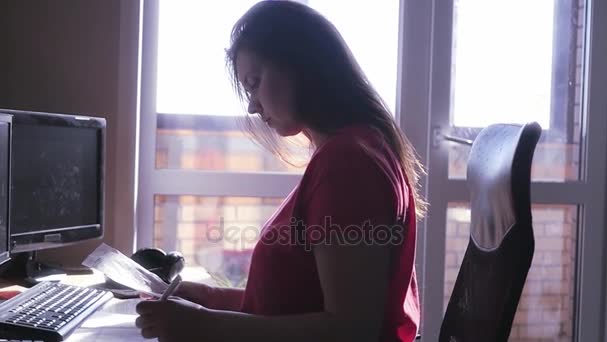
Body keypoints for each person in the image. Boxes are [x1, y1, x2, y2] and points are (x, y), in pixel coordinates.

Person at [135, 1, 425, 341]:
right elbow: (294, 304)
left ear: (299, 63)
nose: (252, 105)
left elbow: (351, 329)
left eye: (255, 82)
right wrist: (208, 299)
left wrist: (203, 324)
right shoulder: (352, 151)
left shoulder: (348, 164)